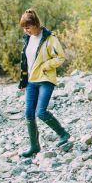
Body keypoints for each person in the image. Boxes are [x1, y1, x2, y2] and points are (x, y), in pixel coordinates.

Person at [19, 9, 70, 157]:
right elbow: (25, 62)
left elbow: (61, 57)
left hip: (45, 80)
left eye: (28, 27)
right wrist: (23, 81)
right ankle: (34, 147)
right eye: (24, 28)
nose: (26, 30)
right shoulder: (27, 39)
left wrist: (45, 66)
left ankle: (63, 134)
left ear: (35, 24)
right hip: (31, 82)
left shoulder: (49, 38)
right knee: (29, 114)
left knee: (40, 112)